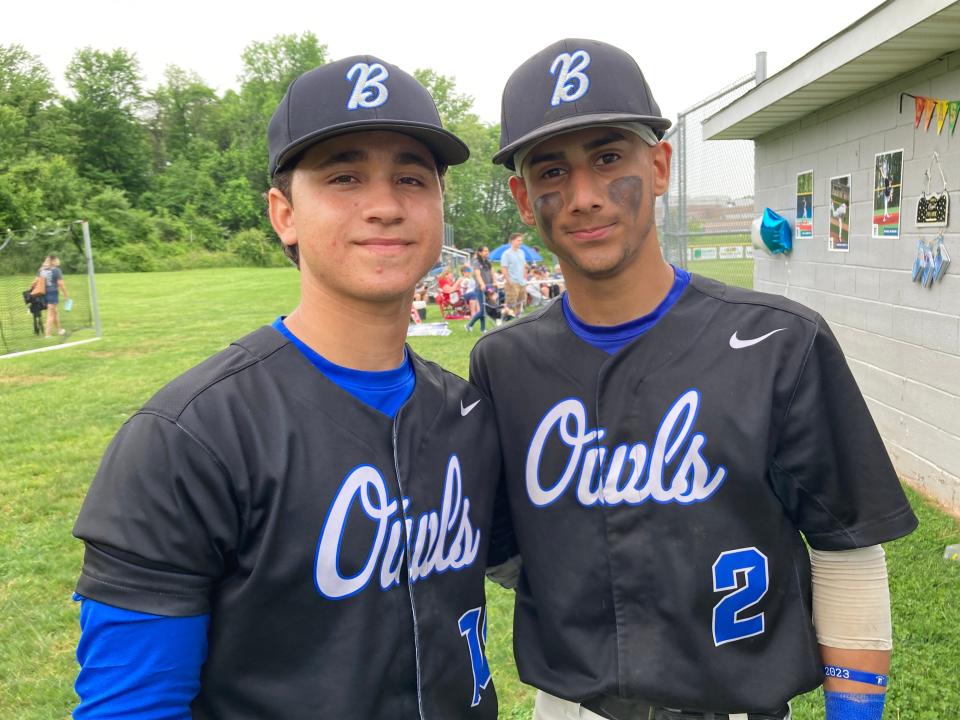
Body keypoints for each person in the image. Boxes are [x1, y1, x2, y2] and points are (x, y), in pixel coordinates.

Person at [471, 38, 918, 720]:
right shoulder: (503, 363)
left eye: (609, 157)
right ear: (524, 198)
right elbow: (504, 546)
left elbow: (845, 550)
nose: (584, 195)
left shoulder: (779, 340)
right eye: (551, 170)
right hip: (572, 709)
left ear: (659, 165)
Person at [72, 56, 500, 720]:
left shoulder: (469, 414)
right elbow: (131, 707)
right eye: (344, 177)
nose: (385, 206)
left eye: (411, 178)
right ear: (284, 214)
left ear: (440, 207)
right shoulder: (188, 437)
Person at [38, 254, 69, 338]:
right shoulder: (56, 270)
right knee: (51, 314)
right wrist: (66, 295)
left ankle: (59, 330)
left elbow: (36, 281)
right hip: (53, 293)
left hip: (44, 293)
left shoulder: (41, 270)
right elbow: (60, 284)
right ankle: (47, 334)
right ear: (53, 261)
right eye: (57, 260)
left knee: (54, 312)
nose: (58, 261)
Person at [500, 232, 528, 318]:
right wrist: (509, 281)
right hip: (512, 282)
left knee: (521, 303)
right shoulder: (506, 253)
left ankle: (518, 320)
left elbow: (524, 266)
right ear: (512, 241)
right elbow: (504, 268)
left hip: (522, 282)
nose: (520, 242)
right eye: (518, 240)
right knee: (510, 305)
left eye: (521, 240)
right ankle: (503, 320)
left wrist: (524, 278)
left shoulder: (522, 252)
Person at [466, 250, 492, 333]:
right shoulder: (477, 262)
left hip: (488, 287)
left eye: (488, 251)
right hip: (480, 288)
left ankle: (482, 329)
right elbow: (477, 275)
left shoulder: (488, 262)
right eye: (485, 251)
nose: (487, 252)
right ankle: (470, 325)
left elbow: (492, 273)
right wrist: (482, 284)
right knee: (482, 310)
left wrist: (494, 282)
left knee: (484, 309)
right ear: (480, 253)